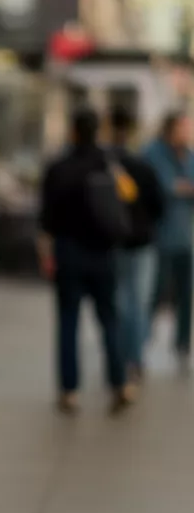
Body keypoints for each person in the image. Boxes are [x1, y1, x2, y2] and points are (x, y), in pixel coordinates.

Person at [39, 105, 134, 413]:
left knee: (68, 322)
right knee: (110, 320)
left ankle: (70, 392)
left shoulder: (58, 168)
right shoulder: (108, 164)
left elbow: (46, 220)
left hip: (68, 252)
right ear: (98, 132)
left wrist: (46, 255)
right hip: (104, 254)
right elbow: (129, 197)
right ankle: (120, 383)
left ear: (73, 132)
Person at [107, 103, 164, 381]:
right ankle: (135, 358)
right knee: (139, 302)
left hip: (114, 242)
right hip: (142, 243)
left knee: (119, 301)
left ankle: (120, 355)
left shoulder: (105, 165)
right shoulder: (143, 165)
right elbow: (158, 205)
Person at [143, 111, 194, 370]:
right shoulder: (153, 153)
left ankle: (182, 345)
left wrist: (180, 187)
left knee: (186, 295)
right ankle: (140, 344)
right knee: (155, 293)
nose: (188, 133)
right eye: (184, 127)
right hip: (159, 238)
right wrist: (181, 188)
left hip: (185, 238)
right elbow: (162, 187)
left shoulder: (188, 155)